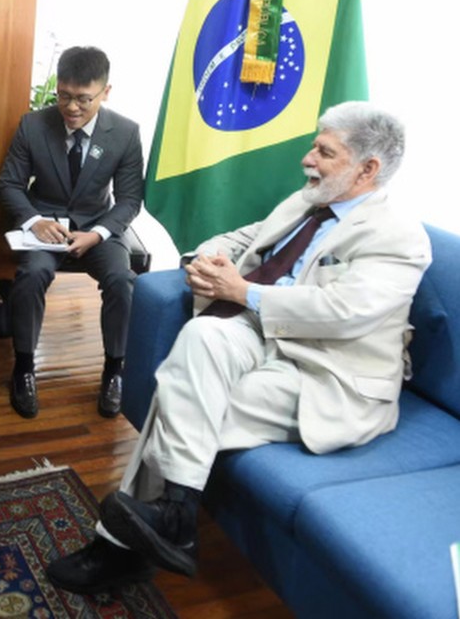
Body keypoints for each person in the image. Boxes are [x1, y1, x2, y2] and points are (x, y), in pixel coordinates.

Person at [46, 101, 432, 593]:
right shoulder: (307, 201)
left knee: (178, 401)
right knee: (203, 335)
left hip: (326, 372)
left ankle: (122, 547)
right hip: (260, 335)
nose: (307, 159)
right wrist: (205, 259)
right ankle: (177, 520)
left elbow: (345, 312)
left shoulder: (399, 237)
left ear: (367, 169)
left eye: (324, 151)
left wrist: (243, 291)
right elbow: (244, 238)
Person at [0, 46, 144, 420]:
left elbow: (129, 200)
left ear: (105, 92)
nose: (72, 108)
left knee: (121, 281)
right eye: (64, 96)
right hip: (44, 227)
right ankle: (25, 367)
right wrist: (34, 221)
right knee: (31, 276)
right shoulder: (33, 125)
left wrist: (98, 233)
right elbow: (10, 185)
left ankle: (114, 370)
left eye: (83, 99)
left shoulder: (125, 133)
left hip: (97, 226)